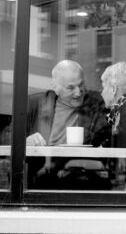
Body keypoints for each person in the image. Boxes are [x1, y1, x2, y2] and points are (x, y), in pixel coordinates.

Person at [25, 59, 110, 188]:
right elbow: (8, 135)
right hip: (44, 179)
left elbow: (108, 134)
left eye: (81, 85)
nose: (78, 92)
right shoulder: (35, 104)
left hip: (83, 178)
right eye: (71, 88)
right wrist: (25, 142)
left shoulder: (96, 103)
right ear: (56, 87)